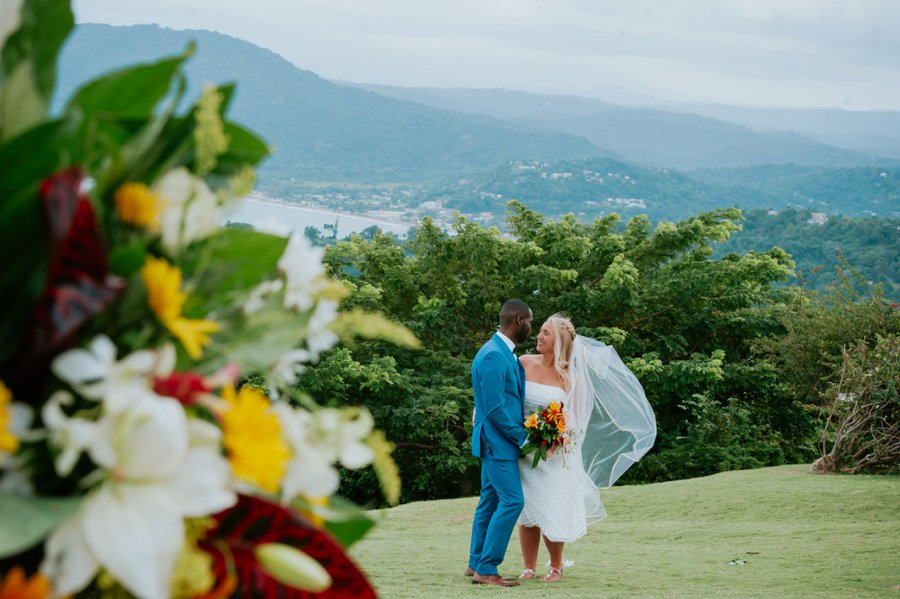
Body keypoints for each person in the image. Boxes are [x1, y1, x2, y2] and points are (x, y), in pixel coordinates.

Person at [516, 314, 656, 582]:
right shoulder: (523, 363)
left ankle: (555, 566)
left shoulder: (571, 377)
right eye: (540, 331)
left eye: (546, 333)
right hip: (525, 449)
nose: (539, 336)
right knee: (528, 510)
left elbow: (576, 419)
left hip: (556, 453)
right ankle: (528, 567)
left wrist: (558, 437)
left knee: (552, 506)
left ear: (558, 341)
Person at [465, 299, 533, 587]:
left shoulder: (504, 353)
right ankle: (487, 568)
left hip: (497, 442)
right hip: (497, 443)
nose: (532, 327)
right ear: (518, 320)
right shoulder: (493, 354)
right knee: (512, 501)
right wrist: (524, 437)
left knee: (490, 501)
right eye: (530, 321)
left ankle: (474, 563)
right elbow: (493, 408)